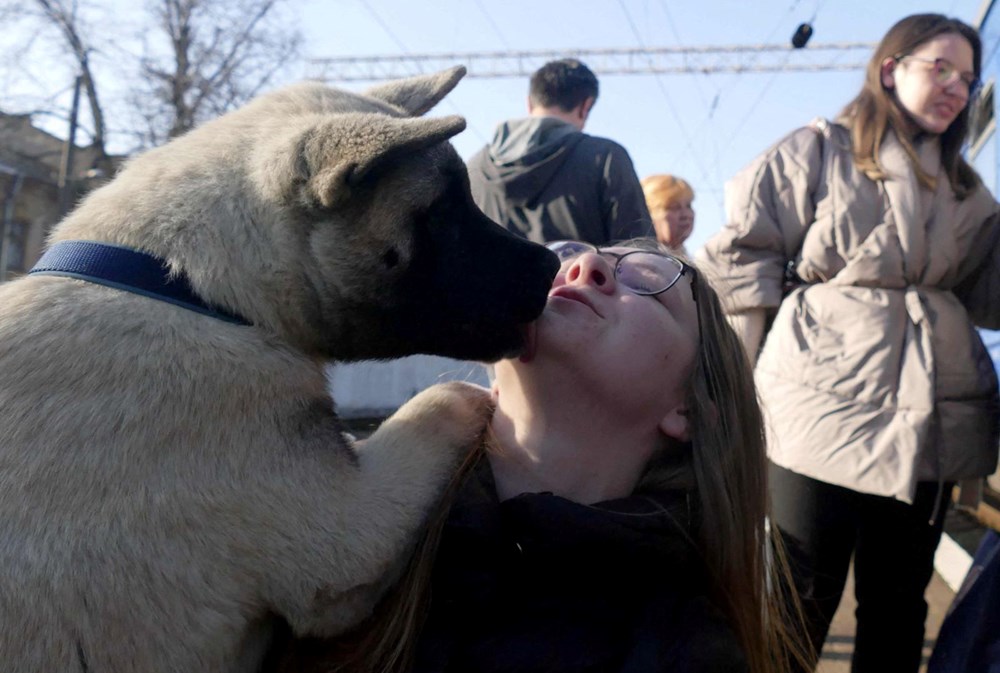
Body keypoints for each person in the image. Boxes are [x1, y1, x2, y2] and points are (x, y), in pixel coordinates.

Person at [288, 239, 812, 673]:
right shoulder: (325, 519)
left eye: (651, 285)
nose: (585, 266)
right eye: (564, 256)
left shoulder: (689, 652)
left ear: (693, 410)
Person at [697, 13, 1000, 673]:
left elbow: (991, 295)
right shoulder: (820, 149)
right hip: (816, 408)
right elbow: (745, 262)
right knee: (798, 597)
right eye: (940, 68)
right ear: (891, 68)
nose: (956, 88)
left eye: (968, 79)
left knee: (899, 604)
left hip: (932, 421)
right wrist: (737, 394)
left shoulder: (972, 195)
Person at [466, 58, 652, 244]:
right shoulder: (606, 157)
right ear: (585, 106)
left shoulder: (474, 168)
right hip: (580, 273)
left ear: (529, 103)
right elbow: (639, 252)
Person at [641, 174, 696, 254]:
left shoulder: (689, 261)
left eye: (688, 206)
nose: (686, 215)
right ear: (648, 213)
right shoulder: (638, 261)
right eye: (674, 207)